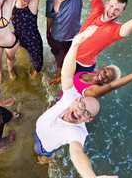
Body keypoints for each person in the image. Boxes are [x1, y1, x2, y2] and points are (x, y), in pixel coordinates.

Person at [35, 26, 118, 178]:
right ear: (77, 100)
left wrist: (91, 177)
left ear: (88, 119)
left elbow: (77, 154)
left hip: (44, 144)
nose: (80, 112)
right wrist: (75, 45)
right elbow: (67, 73)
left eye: (86, 113)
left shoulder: (78, 132)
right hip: (40, 129)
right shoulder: (70, 96)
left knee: (45, 154)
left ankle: (46, 159)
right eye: (81, 106)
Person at [57, 65, 132, 101]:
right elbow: (74, 77)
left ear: (107, 82)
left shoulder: (93, 90)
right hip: (60, 99)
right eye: (104, 71)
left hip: (64, 111)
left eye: (107, 78)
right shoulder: (94, 73)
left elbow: (112, 86)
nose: (103, 76)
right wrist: (61, 78)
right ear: (102, 68)